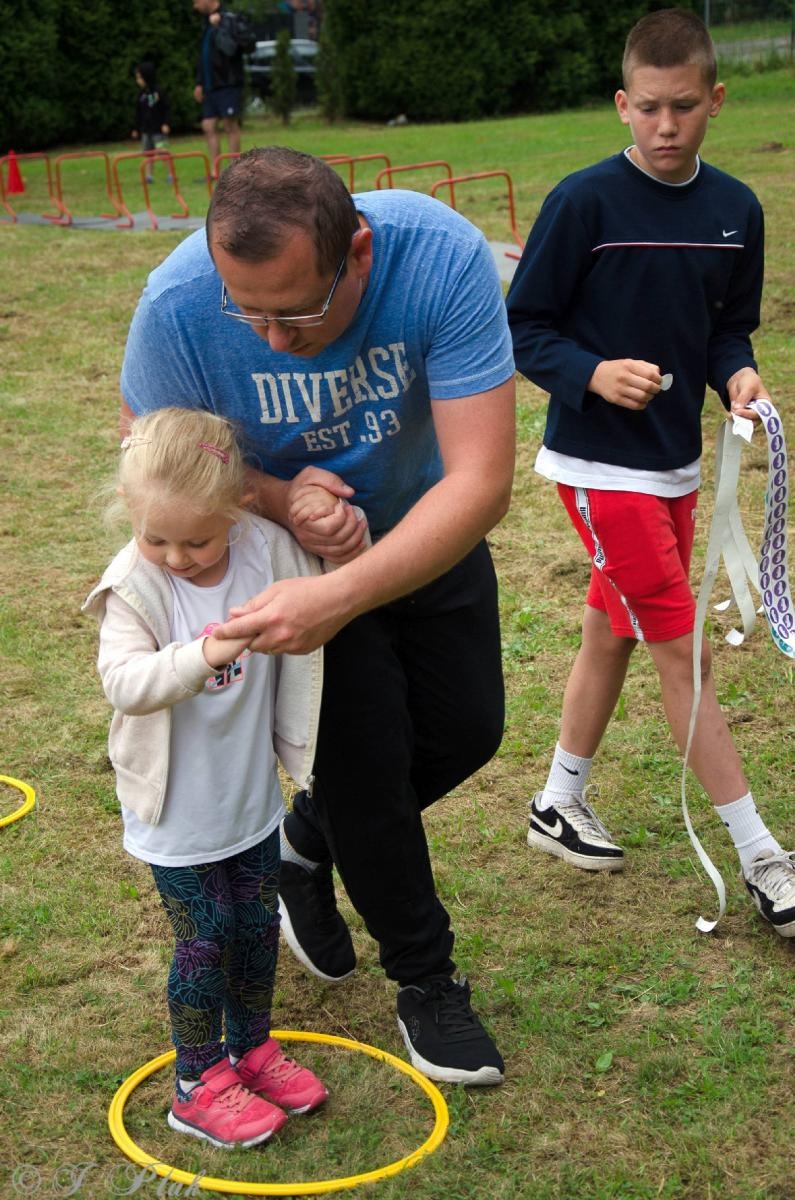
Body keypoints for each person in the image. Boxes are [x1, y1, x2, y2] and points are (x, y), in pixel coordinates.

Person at [119, 146, 516, 1085]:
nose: (269, 339)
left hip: (423, 525)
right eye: (244, 309)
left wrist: (343, 589)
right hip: (285, 559)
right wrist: (273, 494)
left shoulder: (439, 257)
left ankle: (306, 844)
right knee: (368, 761)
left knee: (469, 729)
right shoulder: (176, 302)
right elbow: (153, 445)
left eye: (296, 310)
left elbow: (481, 479)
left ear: (360, 253)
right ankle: (426, 981)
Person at [506, 8, 794, 937]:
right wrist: (589, 372)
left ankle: (557, 800)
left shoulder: (735, 210)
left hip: (674, 463)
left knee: (612, 629)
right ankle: (762, 857)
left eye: (684, 108)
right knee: (682, 648)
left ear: (714, 101)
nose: (665, 128)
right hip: (596, 464)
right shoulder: (582, 204)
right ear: (621, 105)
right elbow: (525, 327)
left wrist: (735, 376)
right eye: (648, 110)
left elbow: (725, 330)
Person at [82, 407, 330, 1149]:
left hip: (247, 797)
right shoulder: (134, 584)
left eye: (198, 538)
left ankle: (250, 1049)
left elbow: (320, 598)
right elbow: (125, 682)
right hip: (175, 814)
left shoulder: (265, 549)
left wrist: (329, 520)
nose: (178, 556)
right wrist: (209, 650)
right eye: (156, 537)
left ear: (238, 508)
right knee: (204, 936)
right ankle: (196, 1082)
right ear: (131, 511)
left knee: (255, 927)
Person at [192, 0, 256, 173]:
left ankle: (235, 170)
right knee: (208, 125)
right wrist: (199, 83)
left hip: (227, 82)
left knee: (230, 125)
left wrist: (219, 28)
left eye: (196, 1)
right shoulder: (206, 24)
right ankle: (215, 170)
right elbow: (203, 57)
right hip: (210, 85)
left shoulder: (229, 20)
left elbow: (234, 49)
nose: (195, 6)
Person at [131, 61, 171, 183]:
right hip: (146, 130)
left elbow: (166, 108)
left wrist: (166, 123)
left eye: (139, 78)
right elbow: (138, 113)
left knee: (162, 152)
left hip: (158, 129)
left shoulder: (158, 92)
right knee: (148, 153)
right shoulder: (141, 95)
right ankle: (149, 176)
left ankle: (170, 174)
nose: (138, 81)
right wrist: (136, 128)